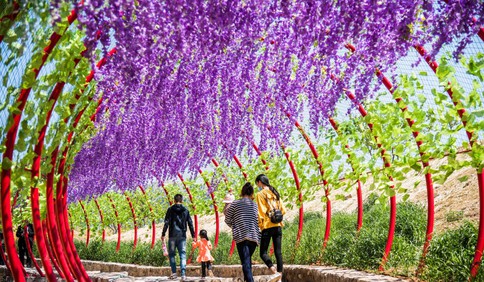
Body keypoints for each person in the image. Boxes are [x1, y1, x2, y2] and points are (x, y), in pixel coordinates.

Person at [224, 182, 261, 282]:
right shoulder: (254, 205)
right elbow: (258, 221)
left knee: (246, 263)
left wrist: (235, 225)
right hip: (254, 237)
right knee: (247, 262)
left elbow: (227, 219)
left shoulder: (235, 203)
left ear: (242, 192)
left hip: (241, 237)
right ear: (252, 193)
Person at [255, 174, 286, 278]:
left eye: (257, 183)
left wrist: (260, 225)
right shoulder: (275, 192)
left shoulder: (260, 194)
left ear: (260, 182)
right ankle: (280, 276)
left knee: (263, 253)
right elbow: (283, 210)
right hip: (278, 225)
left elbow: (261, 212)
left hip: (267, 226)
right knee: (278, 252)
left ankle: (274, 271)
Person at [162, 193, 196, 280]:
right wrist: (194, 236)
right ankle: (183, 274)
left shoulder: (170, 210)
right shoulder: (186, 210)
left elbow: (166, 222)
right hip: (182, 236)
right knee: (183, 255)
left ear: (174, 200)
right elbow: (190, 224)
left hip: (172, 235)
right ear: (182, 200)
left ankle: (174, 273)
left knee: (172, 254)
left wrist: (163, 234)